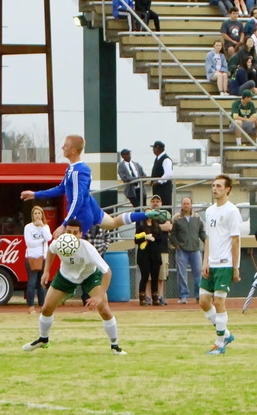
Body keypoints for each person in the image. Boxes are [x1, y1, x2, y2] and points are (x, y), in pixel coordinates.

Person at [20, 135, 164, 238]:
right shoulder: (71, 169)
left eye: (66, 145)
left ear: (73, 150)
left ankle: (91, 276)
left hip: (81, 214)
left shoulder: (78, 170)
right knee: (114, 222)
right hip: (90, 206)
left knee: (70, 251)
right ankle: (147, 214)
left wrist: (64, 224)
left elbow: (78, 199)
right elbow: (61, 189)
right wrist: (36, 194)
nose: (62, 147)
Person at [22, 219, 127, 355]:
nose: (71, 235)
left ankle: (115, 346)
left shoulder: (88, 249)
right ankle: (43, 339)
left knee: (104, 308)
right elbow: (50, 251)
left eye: (75, 233)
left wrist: (99, 295)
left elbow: (107, 272)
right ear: (65, 232)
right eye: (69, 232)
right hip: (66, 276)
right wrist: (46, 271)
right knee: (46, 308)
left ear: (80, 234)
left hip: (89, 276)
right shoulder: (60, 243)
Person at [200, 175, 241, 355]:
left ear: (227, 189)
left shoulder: (232, 211)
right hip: (211, 263)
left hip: (225, 263)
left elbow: (235, 241)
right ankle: (227, 334)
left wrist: (235, 266)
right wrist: (205, 261)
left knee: (218, 301)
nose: (215, 189)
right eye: (213, 185)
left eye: (218, 186)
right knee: (203, 301)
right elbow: (208, 239)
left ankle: (219, 343)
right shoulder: (209, 211)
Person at [171, 197, 206, 304]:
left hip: (195, 249)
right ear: (181, 205)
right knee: (181, 274)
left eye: (188, 203)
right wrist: (176, 245)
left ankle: (199, 295)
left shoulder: (197, 217)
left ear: (191, 205)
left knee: (199, 273)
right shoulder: (176, 218)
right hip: (181, 250)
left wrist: (206, 241)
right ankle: (183, 296)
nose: (186, 205)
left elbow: (201, 232)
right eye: (184, 203)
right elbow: (172, 234)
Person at [23, 205, 52, 314]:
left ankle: (42, 305)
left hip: (44, 257)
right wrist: (41, 240)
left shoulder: (46, 227)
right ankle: (30, 306)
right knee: (31, 282)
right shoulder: (28, 227)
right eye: (35, 213)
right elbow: (29, 243)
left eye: (39, 213)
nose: (37, 215)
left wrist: (43, 227)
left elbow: (49, 238)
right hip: (32, 257)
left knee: (42, 283)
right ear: (32, 216)